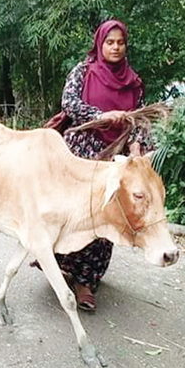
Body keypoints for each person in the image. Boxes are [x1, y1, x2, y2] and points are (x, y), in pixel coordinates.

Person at [52, 19, 153, 311]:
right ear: (100, 43)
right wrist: (103, 114)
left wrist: (136, 147)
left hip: (114, 157)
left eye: (121, 43)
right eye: (110, 42)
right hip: (81, 151)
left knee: (105, 216)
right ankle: (59, 264)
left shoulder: (135, 82)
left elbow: (139, 119)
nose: (116, 47)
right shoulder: (83, 72)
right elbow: (69, 103)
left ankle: (87, 281)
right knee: (73, 211)